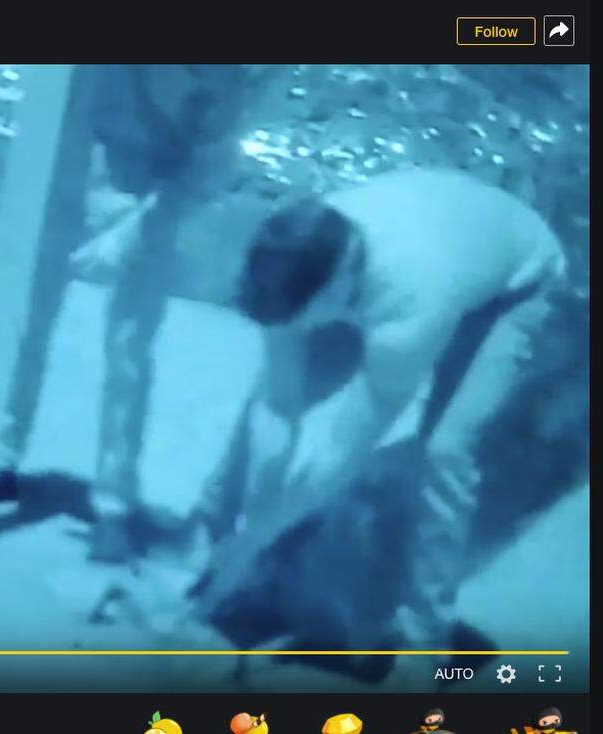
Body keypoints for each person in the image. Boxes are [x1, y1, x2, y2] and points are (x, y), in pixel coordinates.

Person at [190, 169, 567, 657]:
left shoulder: (409, 313)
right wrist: (251, 521)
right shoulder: (294, 254)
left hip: (515, 282)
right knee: (268, 395)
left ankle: (424, 641)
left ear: (336, 287)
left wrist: (257, 541)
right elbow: (277, 406)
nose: (292, 330)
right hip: (429, 241)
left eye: (301, 319)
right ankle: (208, 532)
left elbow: (340, 454)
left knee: (443, 451)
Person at [0, 65, 244, 561]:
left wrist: (132, 230)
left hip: (146, 197)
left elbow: (205, 170)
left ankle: (113, 504)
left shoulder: (227, 72)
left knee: (129, 356)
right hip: (63, 163)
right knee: (23, 322)